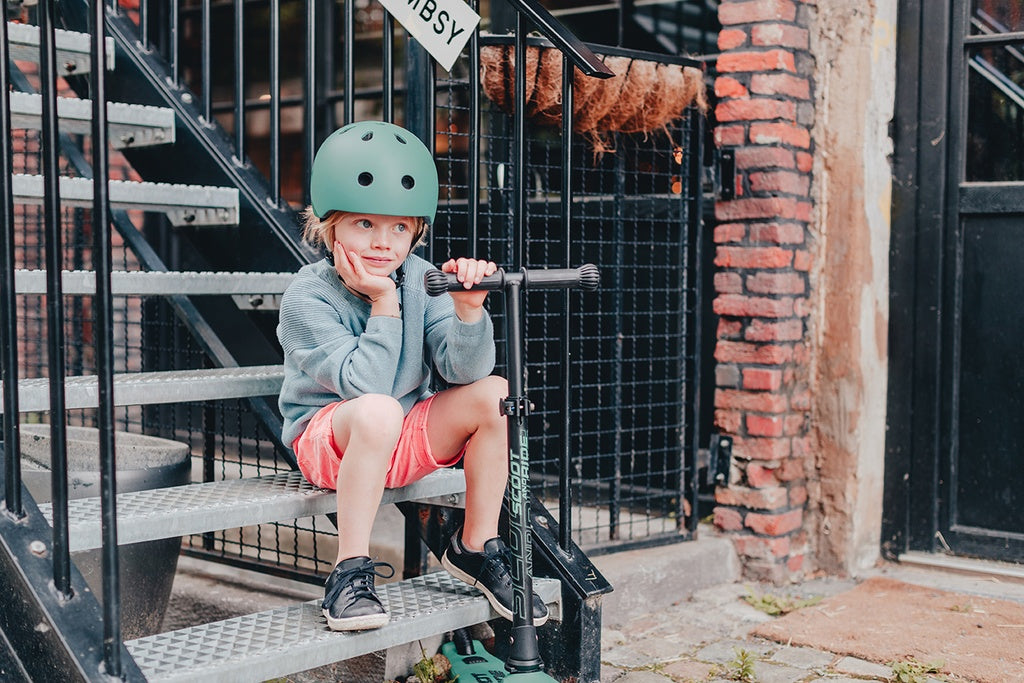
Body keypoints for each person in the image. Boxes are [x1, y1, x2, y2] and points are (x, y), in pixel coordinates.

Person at [277, 120, 548, 632]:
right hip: (330, 441)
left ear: (416, 231)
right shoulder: (307, 295)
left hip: (401, 436)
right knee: (378, 410)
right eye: (364, 224)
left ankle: (475, 546)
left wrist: (469, 310)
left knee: (495, 395)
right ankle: (349, 572)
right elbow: (367, 386)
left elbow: (461, 372)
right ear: (329, 225)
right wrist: (384, 302)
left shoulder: (421, 278)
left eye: (399, 227)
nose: (383, 243)